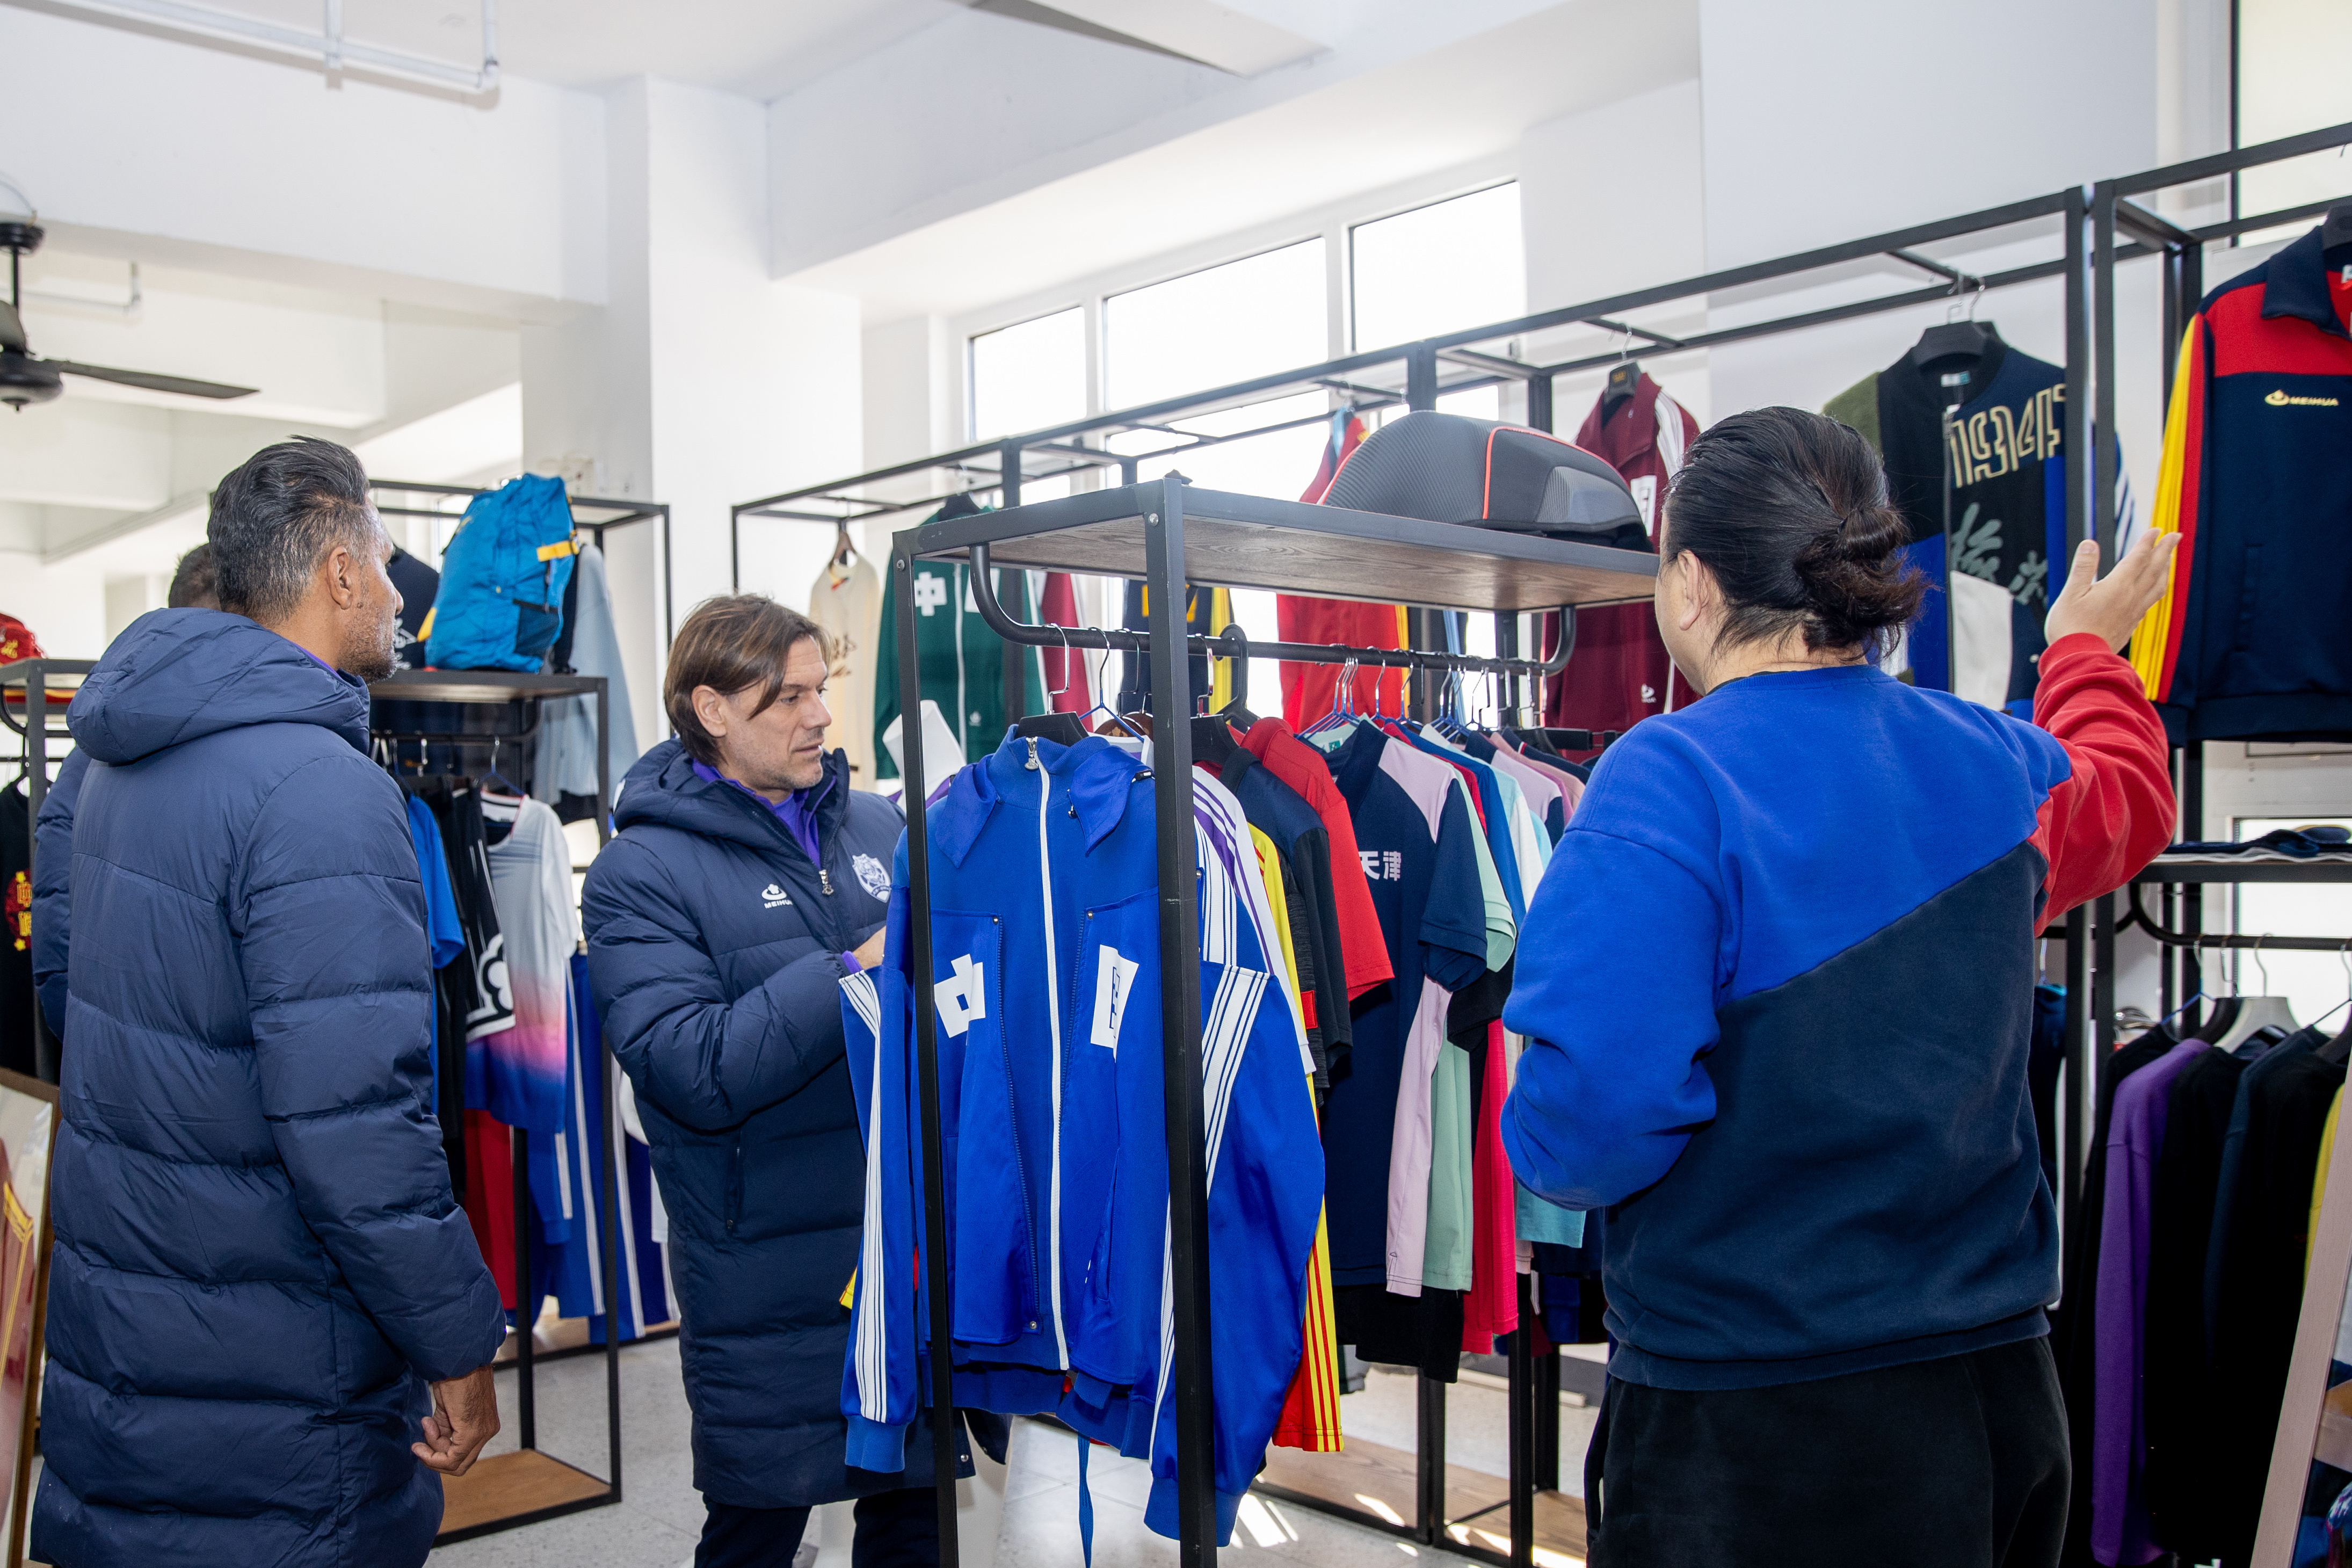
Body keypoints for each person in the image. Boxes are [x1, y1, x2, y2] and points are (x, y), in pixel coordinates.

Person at [1502, 406, 2179, 1568]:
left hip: (1754, 1425)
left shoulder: (1669, 775)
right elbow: (2128, 790)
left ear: (1690, 585)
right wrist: (2080, 651)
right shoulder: (1997, 761)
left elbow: (1590, 1128)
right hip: (1998, 1394)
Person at [33, 441, 506, 1567]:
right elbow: (355, 1124)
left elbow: (65, 998)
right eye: (385, 562)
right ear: (340, 573)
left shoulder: (105, 765)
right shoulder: (321, 790)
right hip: (276, 1360)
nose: (400, 596)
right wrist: (457, 1336)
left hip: (130, 1317)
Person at [582, 594, 958, 1568]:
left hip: (901, 1249)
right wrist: (851, 972)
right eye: (788, 697)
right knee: (757, 1530)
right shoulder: (639, 873)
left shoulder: (877, 826)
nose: (821, 715)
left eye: (819, 689)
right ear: (711, 709)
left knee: (916, 1522)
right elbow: (690, 1069)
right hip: (763, 1275)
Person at [32, 541, 218, 1044]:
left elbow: (56, 916)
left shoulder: (94, 747)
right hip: (184, 1056)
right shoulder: (230, 748)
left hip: (114, 1051)